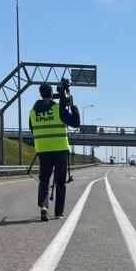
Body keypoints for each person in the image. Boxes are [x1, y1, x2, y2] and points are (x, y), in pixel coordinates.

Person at [29, 83, 81, 221]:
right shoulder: (59, 109)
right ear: (52, 94)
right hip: (59, 150)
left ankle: (44, 206)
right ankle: (58, 212)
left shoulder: (33, 112)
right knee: (60, 182)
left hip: (43, 150)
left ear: (40, 94)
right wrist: (72, 106)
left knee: (44, 180)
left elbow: (32, 129)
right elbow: (76, 122)